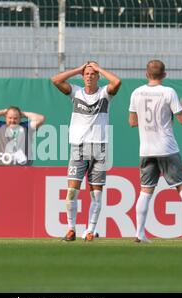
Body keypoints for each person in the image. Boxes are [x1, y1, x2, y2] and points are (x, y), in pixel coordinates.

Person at [128, 60, 182, 244]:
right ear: (164, 75)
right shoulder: (168, 92)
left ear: (146, 74)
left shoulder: (136, 93)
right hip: (167, 148)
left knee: (145, 191)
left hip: (146, 149)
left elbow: (132, 122)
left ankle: (139, 234)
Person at [51, 61, 121, 241]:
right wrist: (78, 68)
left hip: (100, 147)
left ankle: (90, 230)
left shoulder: (105, 94)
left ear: (98, 77)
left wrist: (99, 68)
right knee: (72, 191)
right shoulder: (76, 92)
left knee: (96, 193)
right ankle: (71, 229)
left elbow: (117, 82)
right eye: (87, 74)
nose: (89, 76)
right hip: (78, 147)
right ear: (82, 77)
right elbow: (56, 80)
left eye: (93, 74)